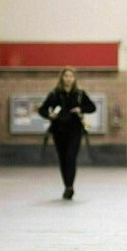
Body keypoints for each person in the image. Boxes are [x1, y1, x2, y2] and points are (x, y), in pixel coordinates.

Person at [39, 67, 96, 200]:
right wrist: (50, 114)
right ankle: (67, 185)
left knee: (71, 157)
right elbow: (42, 109)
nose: (68, 79)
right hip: (59, 130)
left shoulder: (80, 94)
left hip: (75, 130)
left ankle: (70, 186)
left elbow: (92, 107)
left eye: (71, 76)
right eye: (66, 76)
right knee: (63, 159)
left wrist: (80, 109)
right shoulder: (54, 94)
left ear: (74, 79)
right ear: (62, 78)